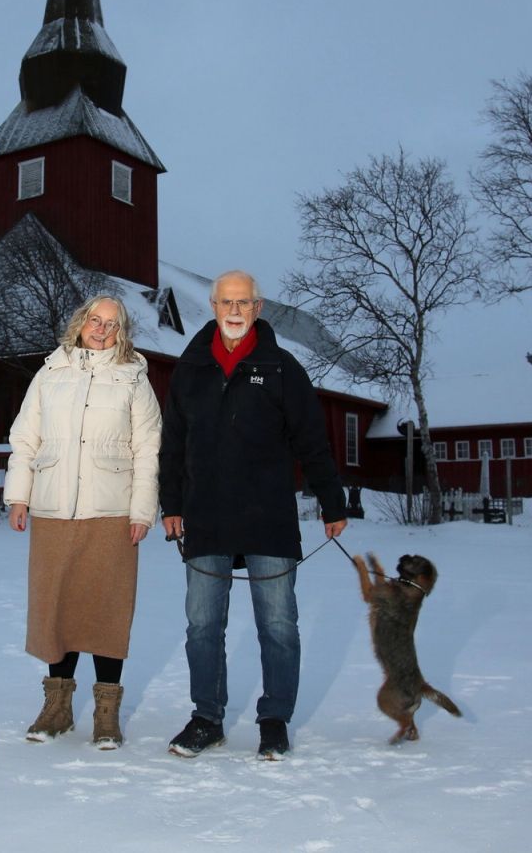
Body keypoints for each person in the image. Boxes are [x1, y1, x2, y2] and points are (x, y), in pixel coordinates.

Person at [158, 270, 348, 760]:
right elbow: (173, 442)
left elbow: (312, 439)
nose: (235, 311)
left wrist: (332, 501)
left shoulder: (282, 367)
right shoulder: (191, 368)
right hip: (206, 516)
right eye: (227, 302)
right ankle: (207, 717)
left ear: (258, 308)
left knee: (278, 625)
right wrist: (171, 503)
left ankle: (274, 719)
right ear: (214, 307)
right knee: (202, 625)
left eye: (244, 302)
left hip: (269, 517)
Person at [4, 293, 162, 749]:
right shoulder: (50, 372)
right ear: (81, 322)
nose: (101, 329)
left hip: (111, 512)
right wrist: (19, 496)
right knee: (55, 608)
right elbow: (25, 438)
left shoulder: (133, 378)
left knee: (107, 610)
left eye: (112, 324)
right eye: (95, 320)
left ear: (121, 332)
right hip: (53, 508)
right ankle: (56, 707)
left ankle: (106, 713)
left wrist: (142, 510)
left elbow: (147, 448)